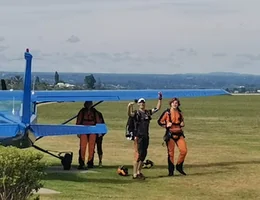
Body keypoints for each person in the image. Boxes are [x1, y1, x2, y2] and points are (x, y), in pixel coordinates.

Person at [127, 92, 162, 180]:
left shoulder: (147, 112)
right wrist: (129, 106)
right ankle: (134, 173)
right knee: (138, 155)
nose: (142, 103)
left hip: (146, 136)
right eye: (141, 102)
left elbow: (157, 108)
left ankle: (139, 171)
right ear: (138, 104)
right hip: (138, 136)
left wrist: (160, 99)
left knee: (144, 154)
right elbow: (130, 114)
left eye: (143, 102)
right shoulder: (136, 113)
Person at [157, 97, 187, 176]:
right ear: (171, 104)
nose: (175, 104)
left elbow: (182, 121)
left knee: (184, 151)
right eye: (173, 103)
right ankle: (171, 171)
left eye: (176, 103)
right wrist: (166, 125)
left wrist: (183, 124)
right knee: (171, 153)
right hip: (170, 135)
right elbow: (159, 121)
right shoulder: (167, 113)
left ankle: (179, 166)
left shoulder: (180, 113)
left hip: (179, 134)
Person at [76, 101, 104, 169]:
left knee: (91, 147)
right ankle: (81, 162)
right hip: (83, 130)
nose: (88, 105)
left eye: (89, 103)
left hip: (92, 130)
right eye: (87, 103)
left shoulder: (95, 112)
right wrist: (78, 131)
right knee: (82, 147)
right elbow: (78, 121)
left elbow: (98, 122)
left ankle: (90, 162)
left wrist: (99, 132)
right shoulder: (82, 111)